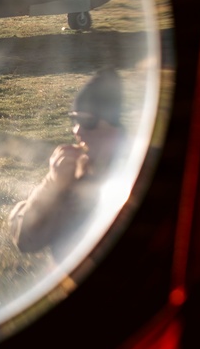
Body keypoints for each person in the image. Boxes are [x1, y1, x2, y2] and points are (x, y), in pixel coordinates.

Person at [8, 68, 127, 265]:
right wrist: (52, 185)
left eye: (87, 121)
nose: (76, 130)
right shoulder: (74, 170)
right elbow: (25, 240)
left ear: (114, 126)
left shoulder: (131, 170)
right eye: (74, 119)